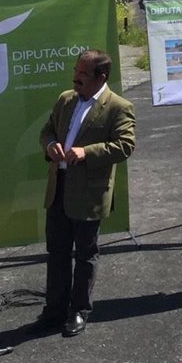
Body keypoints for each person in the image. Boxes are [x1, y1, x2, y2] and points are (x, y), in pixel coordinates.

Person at [26, 50, 136, 338]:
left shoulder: (118, 107)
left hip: (89, 192)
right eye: (76, 70)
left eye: (83, 74)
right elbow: (47, 131)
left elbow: (125, 145)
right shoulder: (66, 100)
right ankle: (54, 310)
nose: (75, 77)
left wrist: (86, 153)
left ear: (101, 77)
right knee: (57, 252)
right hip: (59, 186)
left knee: (85, 254)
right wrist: (50, 146)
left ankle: (79, 310)